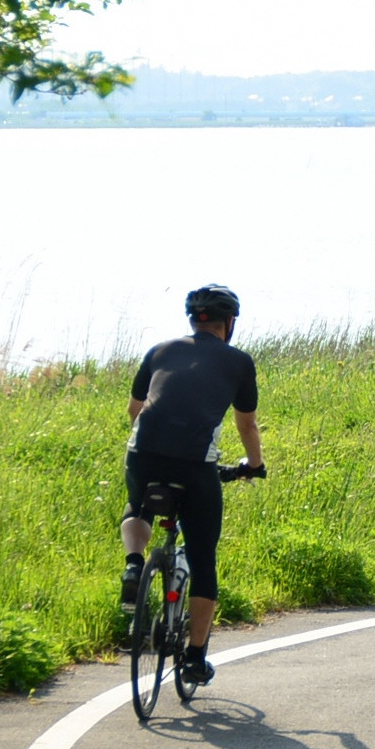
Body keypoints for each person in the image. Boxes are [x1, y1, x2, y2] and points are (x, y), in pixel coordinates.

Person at [121, 285, 266, 685]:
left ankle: (133, 564)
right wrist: (254, 466)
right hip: (194, 465)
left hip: (143, 453)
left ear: (192, 319)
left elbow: (135, 410)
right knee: (203, 557)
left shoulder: (160, 350)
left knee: (137, 506)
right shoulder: (239, 362)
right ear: (229, 322)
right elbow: (247, 425)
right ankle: (195, 658)